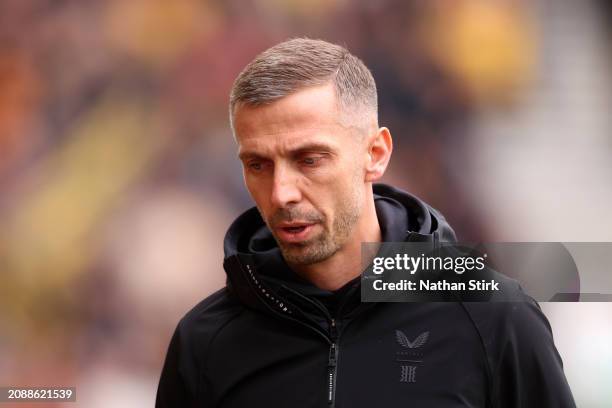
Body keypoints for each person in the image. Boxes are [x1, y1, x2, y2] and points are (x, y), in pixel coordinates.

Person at [155, 38, 575, 408]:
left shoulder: (494, 318)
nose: (282, 192)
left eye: (310, 159)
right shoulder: (204, 343)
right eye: (258, 164)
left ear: (375, 154)